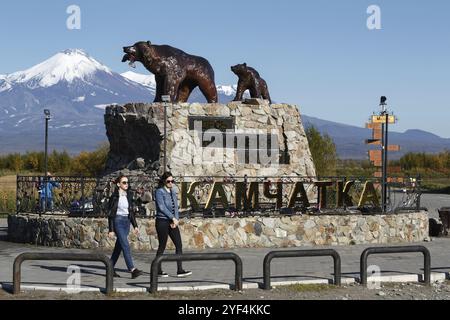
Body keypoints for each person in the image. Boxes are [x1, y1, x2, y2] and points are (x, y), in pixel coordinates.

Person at [154, 172, 192, 277]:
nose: (171, 183)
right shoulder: (159, 192)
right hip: (162, 221)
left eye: (172, 181)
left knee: (179, 244)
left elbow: (176, 207)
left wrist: (175, 220)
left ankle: (180, 270)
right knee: (162, 245)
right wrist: (172, 218)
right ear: (164, 181)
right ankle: (158, 270)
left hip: (172, 221)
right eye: (168, 181)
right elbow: (162, 207)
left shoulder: (173, 192)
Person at [107, 175, 143, 279]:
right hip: (118, 221)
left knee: (119, 247)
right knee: (126, 245)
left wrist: (135, 226)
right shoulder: (114, 197)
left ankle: (110, 268)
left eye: (127, 182)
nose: (126, 184)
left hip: (126, 222)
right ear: (118, 184)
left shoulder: (129, 195)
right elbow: (110, 214)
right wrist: (111, 230)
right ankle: (132, 269)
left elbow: (131, 212)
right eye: (124, 182)